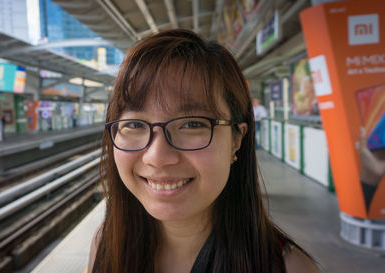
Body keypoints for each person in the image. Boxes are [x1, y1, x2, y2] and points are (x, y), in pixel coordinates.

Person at [86, 29, 321, 273]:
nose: (156, 156)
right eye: (134, 124)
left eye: (192, 124)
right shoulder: (106, 245)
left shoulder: (288, 269)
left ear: (237, 138)